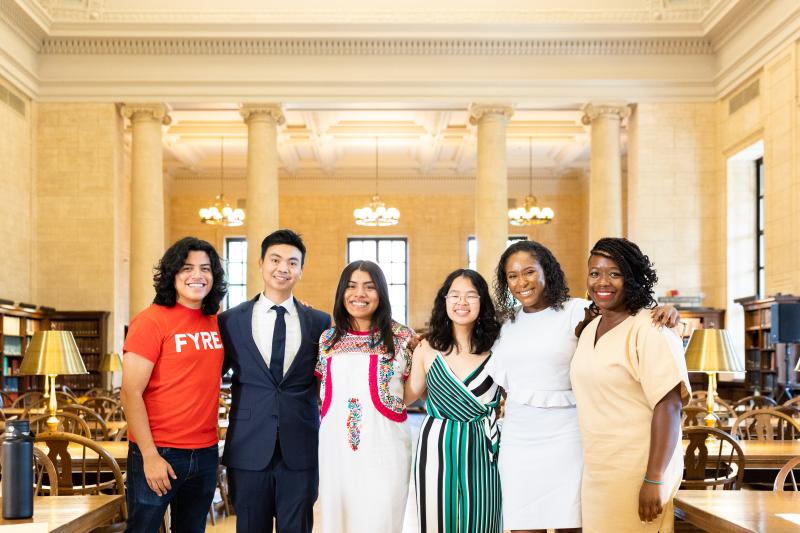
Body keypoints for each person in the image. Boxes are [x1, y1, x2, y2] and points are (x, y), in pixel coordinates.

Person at [487, 240, 679, 533]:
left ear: (546, 272)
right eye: (512, 276)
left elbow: (628, 313)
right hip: (519, 437)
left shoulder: (578, 311)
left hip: (569, 437)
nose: (521, 282)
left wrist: (667, 311)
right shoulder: (505, 324)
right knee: (522, 523)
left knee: (572, 523)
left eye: (528, 272)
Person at [570, 237, 689, 532]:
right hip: (598, 470)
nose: (602, 282)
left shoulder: (650, 327)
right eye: (595, 273)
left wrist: (654, 477)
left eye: (615, 273)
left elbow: (669, 404)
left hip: (639, 469)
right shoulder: (589, 329)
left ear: (632, 278)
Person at [218, 229, 331, 533]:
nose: (284, 268)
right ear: (261, 263)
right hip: (248, 445)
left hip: (301, 446)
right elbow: (213, 374)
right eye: (276, 260)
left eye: (293, 262)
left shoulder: (320, 322)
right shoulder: (231, 321)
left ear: (301, 270)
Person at [121, 236, 227, 533]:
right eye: (187, 268)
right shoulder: (151, 321)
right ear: (172, 274)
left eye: (205, 268)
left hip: (205, 452)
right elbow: (130, 393)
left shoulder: (216, 321)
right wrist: (150, 456)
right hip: (160, 452)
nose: (197, 275)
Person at [315, 260, 414, 533]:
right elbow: (318, 392)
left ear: (381, 293)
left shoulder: (403, 338)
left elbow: (416, 390)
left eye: (369, 287)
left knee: (382, 518)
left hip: (386, 449)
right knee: (339, 519)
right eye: (352, 286)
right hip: (336, 452)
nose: (360, 294)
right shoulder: (327, 340)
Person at [405, 269, 503, 533]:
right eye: (455, 295)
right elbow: (408, 396)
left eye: (471, 296)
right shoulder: (427, 348)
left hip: (483, 444)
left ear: (482, 302)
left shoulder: (499, 347)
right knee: (437, 517)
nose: (462, 302)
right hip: (437, 442)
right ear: (444, 300)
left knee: (483, 518)